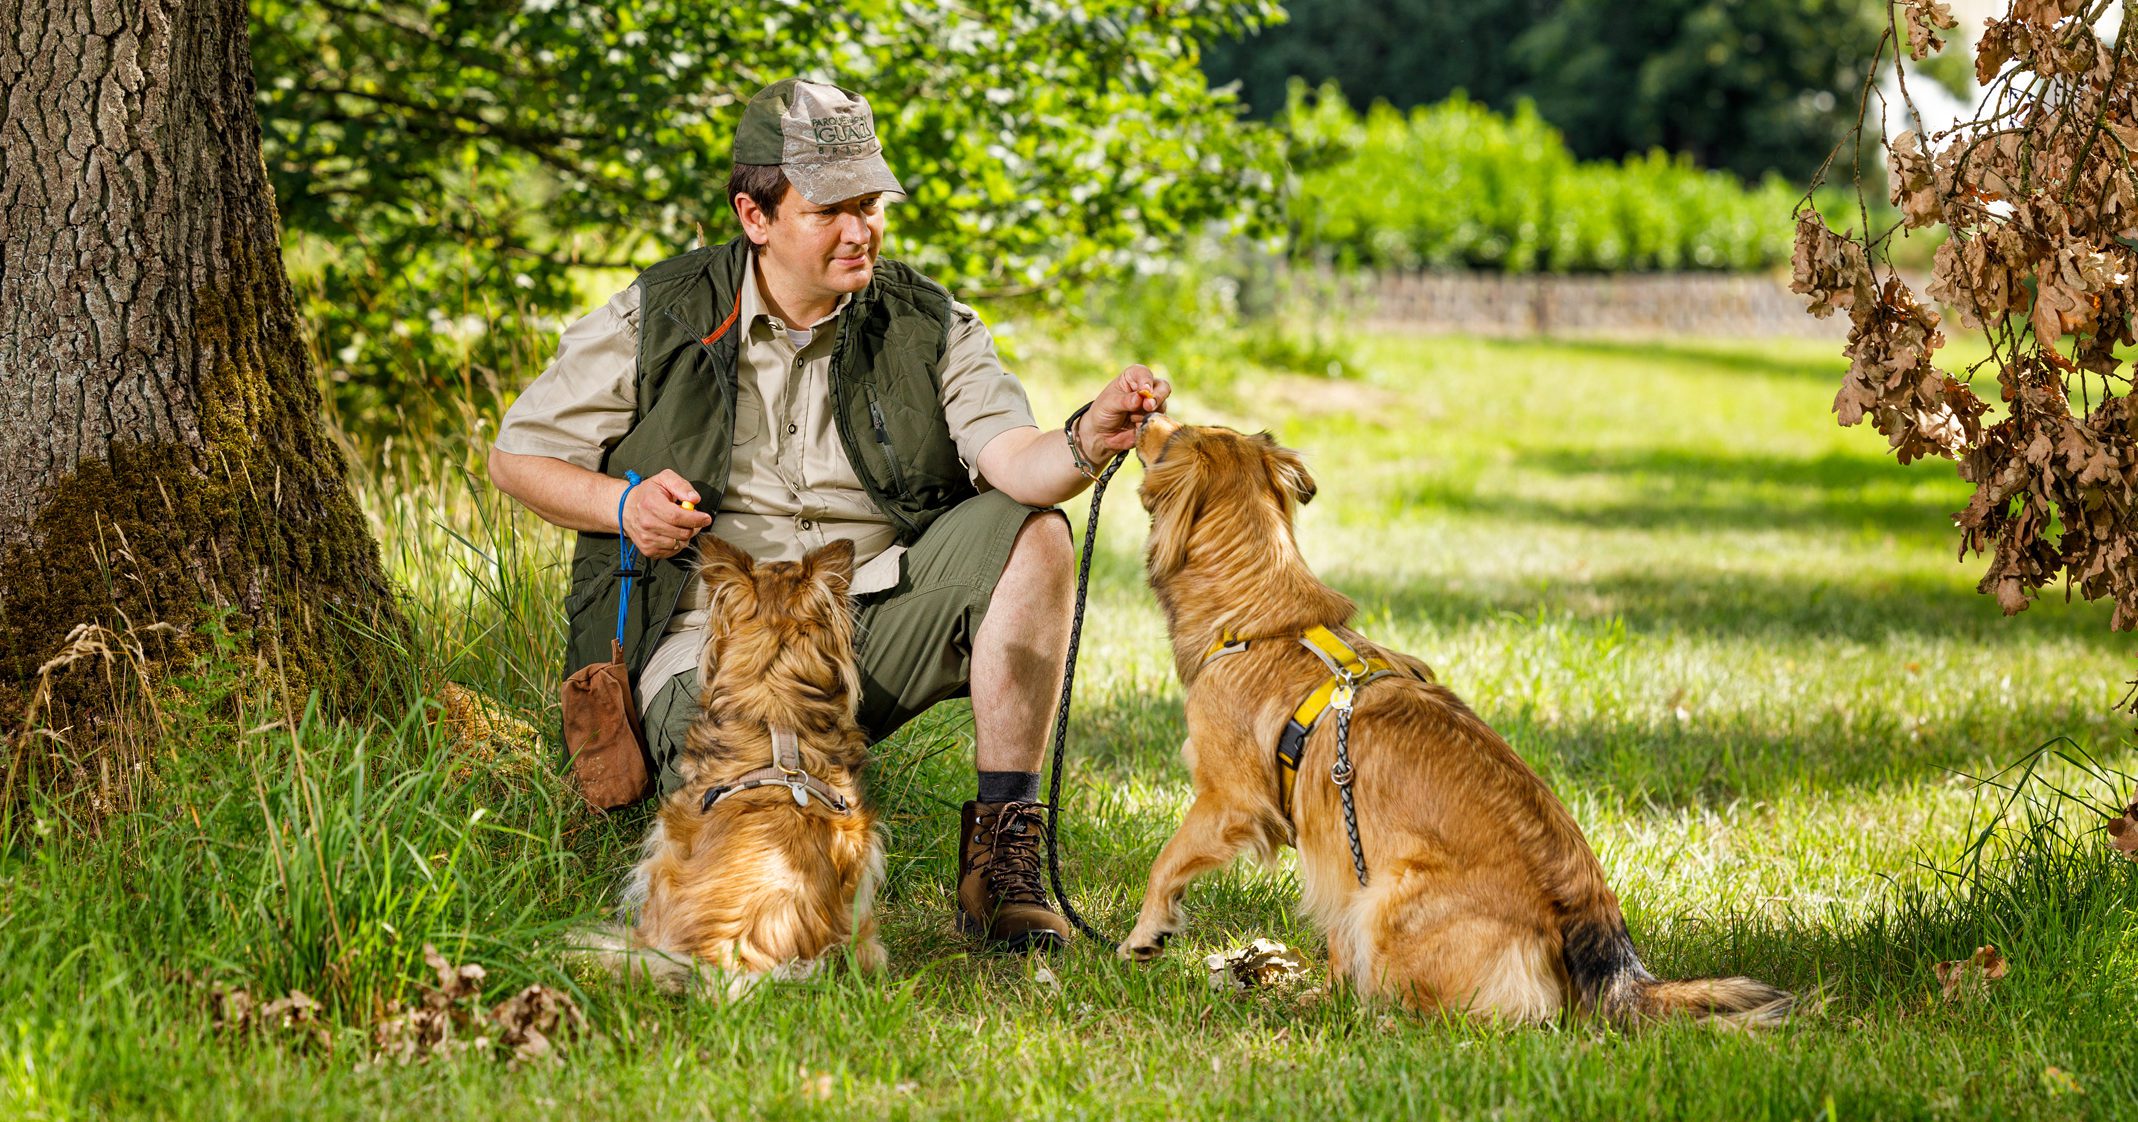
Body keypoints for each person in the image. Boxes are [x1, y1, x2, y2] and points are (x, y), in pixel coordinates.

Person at [488, 78, 1168, 952]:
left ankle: (1001, 868)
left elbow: (1012, 461)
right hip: (705, 642)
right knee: (762, 750)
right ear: (755, 215)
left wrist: (1083, 436)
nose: (862, 231)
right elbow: (515, 457)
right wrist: (619, 503)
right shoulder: (657, 314)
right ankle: (732, 914)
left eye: (870, 204)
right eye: (830, 209)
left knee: (1033, 535)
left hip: (862, 627)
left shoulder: (929, 323)